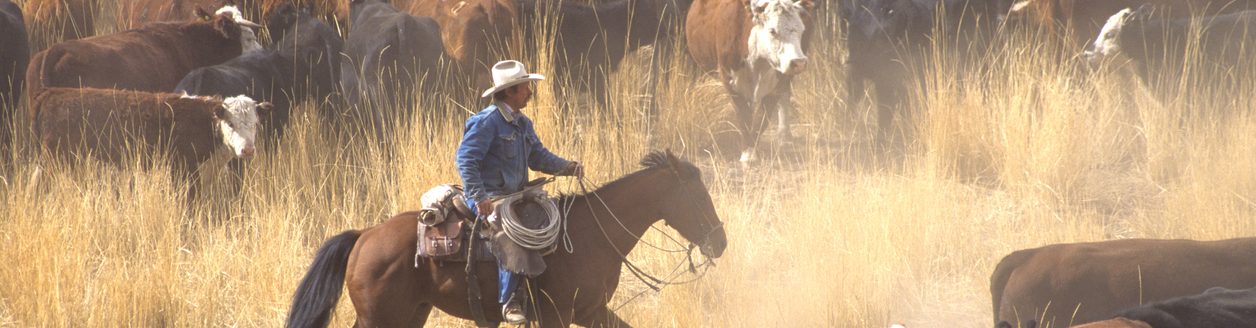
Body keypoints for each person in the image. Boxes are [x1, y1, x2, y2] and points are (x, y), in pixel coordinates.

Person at [455, 60, 584, 325]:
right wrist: (480, 198)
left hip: (514, 196)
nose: (530, 90)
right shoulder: (487, 122)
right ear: (510, 91)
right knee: (511, 232)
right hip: (490, 198)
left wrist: (567, 167)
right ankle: (510, 299)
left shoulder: (522, 123)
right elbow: (466, 160)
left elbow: (538, 157)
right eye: (526, 86)